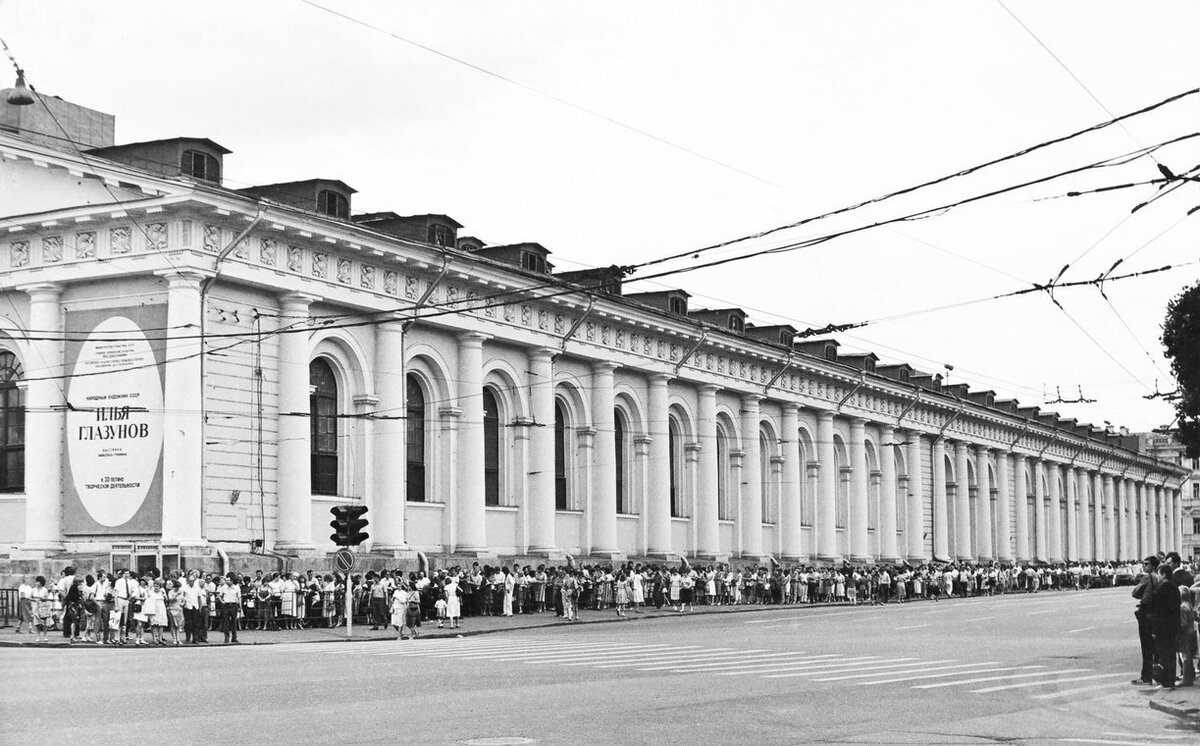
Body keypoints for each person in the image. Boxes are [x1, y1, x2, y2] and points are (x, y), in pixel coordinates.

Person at [1150, 560, 1182, 689]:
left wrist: (1155, 630)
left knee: (1164, 655)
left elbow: (1159, 613)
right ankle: (1170, 680)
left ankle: (1166, 682)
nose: (1157, 576)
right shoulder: (1174, 588)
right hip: (1173, 626)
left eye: (1158, 574)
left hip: (1163, 628)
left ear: (1163, 575)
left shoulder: (1162, 590)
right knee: (1171, 655)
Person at [1132, 555, 1160, 686]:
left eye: (1146, 564)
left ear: (1153, 565)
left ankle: (1146, 676)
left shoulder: (1148, 577)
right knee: (1156, 647)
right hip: (1156, 614)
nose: (1144, 566)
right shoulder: (1160, 577)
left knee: (1146, 647)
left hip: (1146, 613)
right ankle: (1159, 674)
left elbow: (1135, 592)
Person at [217, 575, 241, 643]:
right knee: (226, 622)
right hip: (226, 605)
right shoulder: (224, 588)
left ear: (232, 581)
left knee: (234, 621)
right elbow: (219, 595)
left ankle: (234, 637)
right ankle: (226, 637)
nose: (227, 582)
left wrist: (239, 606)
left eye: (228, 580)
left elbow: (239, 597)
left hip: (234, 605)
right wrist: (222, 601)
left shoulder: (236, 588)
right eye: (226, 580)